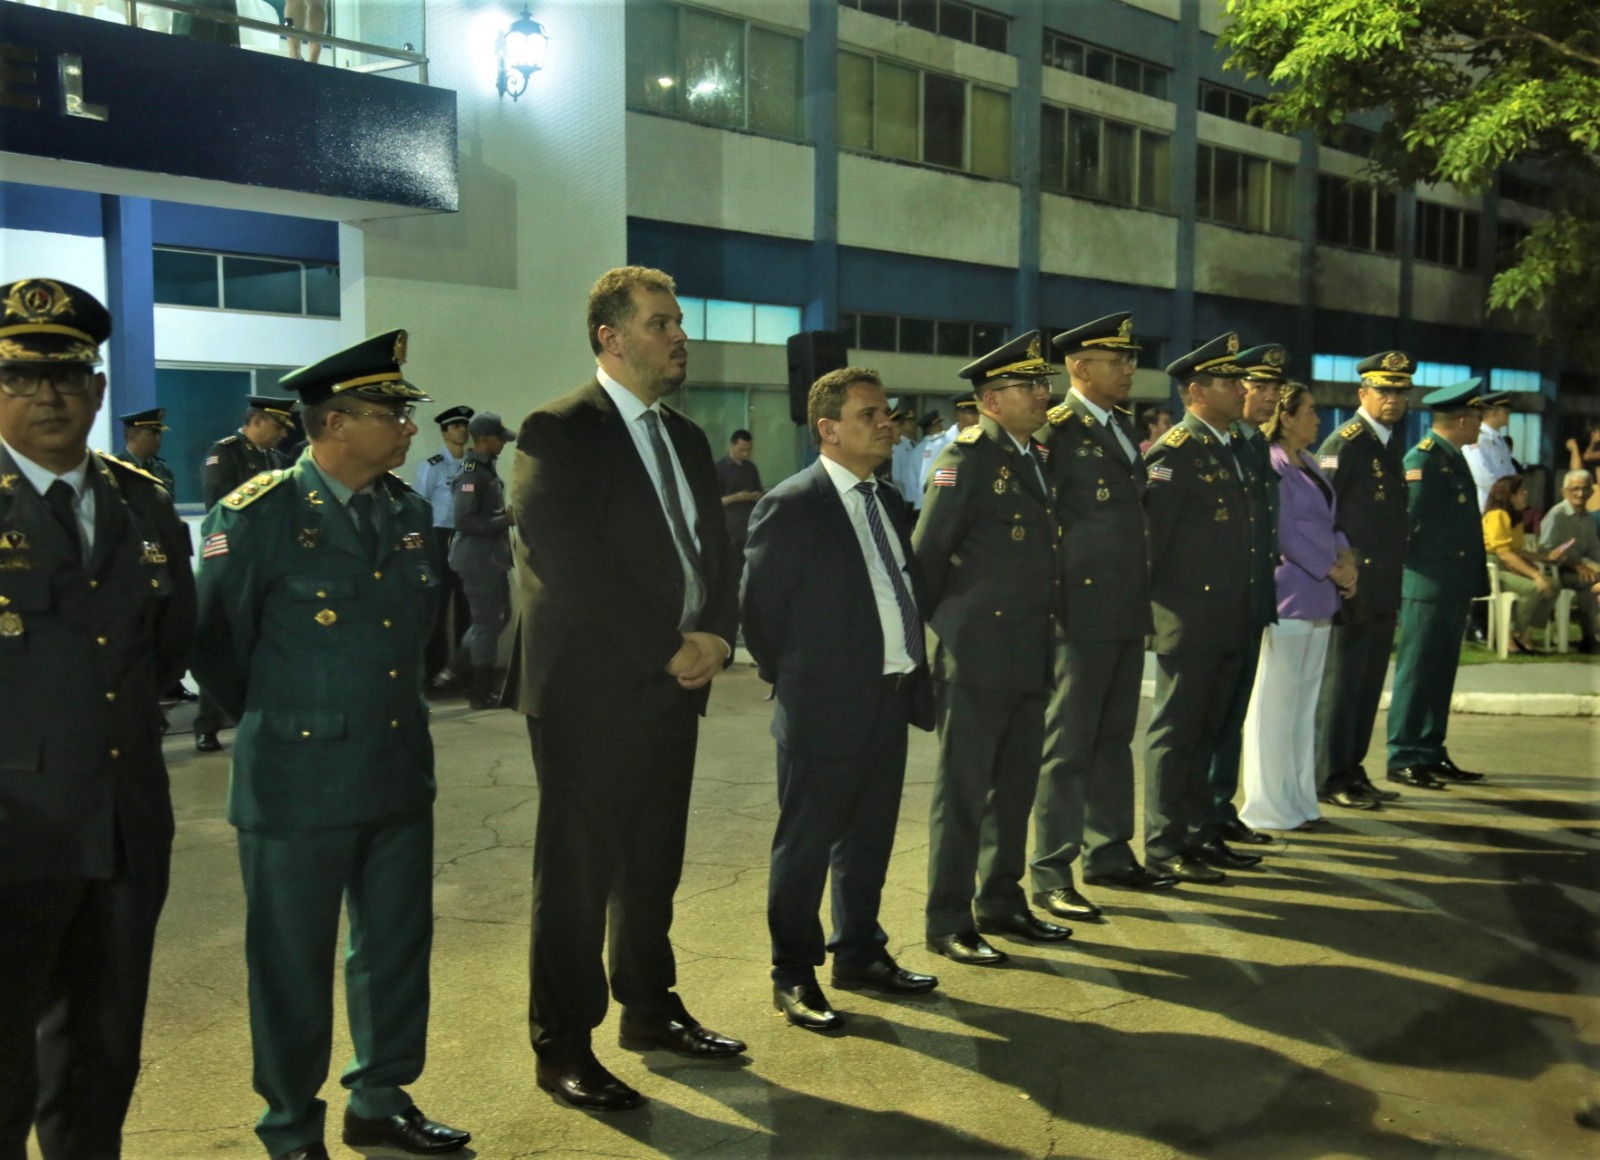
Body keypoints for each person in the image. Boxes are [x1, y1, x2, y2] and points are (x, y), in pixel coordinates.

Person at [192, 331, 469, 1160]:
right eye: (391, 413)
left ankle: (380, 1098)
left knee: (394, 948)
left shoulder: (408, 513)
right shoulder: (259, 515)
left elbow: (422, 635)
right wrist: (285, 715)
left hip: (392, 766)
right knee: (290, 964)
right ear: (336, 423)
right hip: (295, 777)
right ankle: (289, 1126)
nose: (408, 427)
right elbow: (214, 646)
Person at [506, 266, 744, 1113]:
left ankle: (649, 1008)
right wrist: (667, 644)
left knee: (653, 863)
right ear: (610, 338)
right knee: (578, 874)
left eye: (678, 321)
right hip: (591, 691)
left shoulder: (682, 437)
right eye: (660, 324)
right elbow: (564, 562)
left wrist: (716, 632)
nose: (679, 336)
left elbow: (714, 548)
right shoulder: (559, 430)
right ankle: (562, 1045)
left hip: (674, 682)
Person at [0, 278, 195, 1160]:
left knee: (103, 1053)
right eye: (19, 377)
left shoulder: (143, 502)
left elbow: (166, 650)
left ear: (98, 388)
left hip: (122, 821)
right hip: (10, 830)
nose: (47, 395)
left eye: (68, 375)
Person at [742, 367, 938, 1034]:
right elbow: (760, 614)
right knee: (804, 850)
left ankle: (858, 953)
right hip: (823, 708)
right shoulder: (792, 505)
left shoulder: (881, 499)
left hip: (889, 699)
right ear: (828, 429)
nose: (887, 423)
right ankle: (792, 975)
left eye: (886, 412)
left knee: (868, 842)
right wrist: (803, 680)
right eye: (868, 415)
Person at [913, 331, 1071, 967]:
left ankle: (1002, 901)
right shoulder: (966, 458)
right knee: (963, 794)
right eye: (1029, 386)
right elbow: (926, 557)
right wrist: (928, 642)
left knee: (1013, 787)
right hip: (977, 654)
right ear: (991, 399)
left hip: (1029, 648)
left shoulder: (1033, 457)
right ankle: (948, 918)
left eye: (1042, 383)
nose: (1043, 395)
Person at [1031, 313, 1173, 919]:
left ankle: (1109, 851)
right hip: (1078, 611)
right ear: (1079, 368)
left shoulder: (1118, 427)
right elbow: (1043, 523)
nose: (1129, 370)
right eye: (1118, 361)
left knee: (1114, 738)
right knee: (1068, 744)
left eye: (1130, 360)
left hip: (1122, 608)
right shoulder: (1056, 431)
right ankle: (1051, 869)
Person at [1141, 333, 1258, 884]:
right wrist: (1161, 617)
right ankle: (1165, 844)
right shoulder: (1175, 452)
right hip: (1189, 620)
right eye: (1230, 381)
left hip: (1228, 617)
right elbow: (1154, 544)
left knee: (1209, 731)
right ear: (1196, 391)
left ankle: (1199, 832)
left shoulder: (1226, 446)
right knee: (1177, 732)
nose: (1242, 389)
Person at [1238, 383, 1356, 833]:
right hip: (1291, 593)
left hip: (1320, 595)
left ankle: (1299, 801)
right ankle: (1268, 806)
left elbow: (1331, 520)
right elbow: (1284, 531)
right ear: (1285, 418)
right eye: (1309, 411)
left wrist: (1346, 558)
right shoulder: (1275, 463)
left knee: (1303, 707)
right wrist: (1331, 567)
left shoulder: (1308, 462)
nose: (1317, 419)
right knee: (1275, 708)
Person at [1313, 351, 1416, 810]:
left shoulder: (1390, 442)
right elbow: (1322, 511)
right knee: (1343, 684)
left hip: (1382, 585)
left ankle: (1353, 769)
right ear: (1362, 394)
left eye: (1400, 391)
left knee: (1368, 683)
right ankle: (1331, 775)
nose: (1392, 399)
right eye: (1383, 390)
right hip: (1351, 585)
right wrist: (1340, 567)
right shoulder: (1346, 443)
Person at [1386, 380, 1497, 791]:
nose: (1480, 425)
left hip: (1450, 584)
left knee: (1440, 672)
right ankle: (1403, 754)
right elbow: (1407, 527)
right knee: (1416, 673)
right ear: (1464, 419)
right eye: (1478, 418)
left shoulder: (1450, 458)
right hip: (1428, 584)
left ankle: (1431, 750)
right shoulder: (1425, 460)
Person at [1202, 344, 1287, 850]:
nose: (1265, 397)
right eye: (1259, 387)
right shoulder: (1229, 442)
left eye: (1276, 389)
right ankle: (1208, 812)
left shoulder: (1254, 444)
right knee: (1213, 715)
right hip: (1222, 599)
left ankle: (1220, 807)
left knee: (1233, 712)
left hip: (1251, 594)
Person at [194, 395, 297, 751]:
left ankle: (256, 716)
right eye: (277, 425)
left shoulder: (274, 459)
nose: (283, 434)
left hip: (270, 561)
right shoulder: (225, 453)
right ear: (256, 420)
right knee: (225, 634)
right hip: (233, 560)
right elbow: (219, 508)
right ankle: (207, 724)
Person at [448, 412, 516, 709]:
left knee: (497, 619)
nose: (503, 443)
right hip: (478, 559)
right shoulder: (472, 472)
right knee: (487, 623)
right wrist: (506, 519)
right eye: (500, 438)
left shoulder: (485, 469)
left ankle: (455, 671)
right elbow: (464, 521)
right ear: (485, 439)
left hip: (491, 558)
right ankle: (479, 690)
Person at [415, 405, 475, 689]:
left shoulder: (473, 464)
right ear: (444, 431)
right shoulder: (433, 465)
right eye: (455, 425)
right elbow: (420, 505)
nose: (462, 430)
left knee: (468, 607)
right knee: (437, 610)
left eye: (465, 425)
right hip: (439, 538)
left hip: (467, 537)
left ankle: (462, 672)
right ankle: (433, 673)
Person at [1482, 474, 1557, 653]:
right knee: (1533, 588)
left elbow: (1517, 551)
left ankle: (1526, 635)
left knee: (1553, 585)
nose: (1526, 494)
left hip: (1509, 563)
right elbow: (1504, 553)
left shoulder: (1515, 518)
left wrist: (1546, 558)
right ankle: (1510, 633)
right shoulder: (1497, 515)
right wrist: (1536, 575)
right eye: (1522, 491)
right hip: (1493, 568)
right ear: (1510, 495)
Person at [1538, 469, 1600, 653]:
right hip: (1556, 572)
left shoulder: (1587, 518)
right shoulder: (1557, 515)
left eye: (1584, 489)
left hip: (1579, 571)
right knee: (1591, 584)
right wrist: (1576, 565)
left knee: (1592, 580)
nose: (1580, 493)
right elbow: (1546, 550)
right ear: (1564, 491)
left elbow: (1594, 551)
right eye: (1575, 489)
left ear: (1591, 491)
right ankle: (1589, 637)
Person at [715, 428, 764, 558]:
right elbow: (714, 501)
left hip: (750, 525)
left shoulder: (751, 468)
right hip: (730, 529)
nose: (745, 454)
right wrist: (737, 497)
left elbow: (760, 493)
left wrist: (756, 496)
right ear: (731, 446)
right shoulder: (719, 468)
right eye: (741, 450)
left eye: (748, 450)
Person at [1463, 398, 1516, 510]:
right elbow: (1483, 476)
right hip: (1486, 504)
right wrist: (1504, 492)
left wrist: (1513, 489)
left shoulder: (1500, 440)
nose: (1509, 415)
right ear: (1494, 413)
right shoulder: (1477, 438)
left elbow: (1510, 470)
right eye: (1505, 411)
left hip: (1503, 503)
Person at [918, 393, 976, 492]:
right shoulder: (939, 444)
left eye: (980, 414)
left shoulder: (983, 442)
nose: (977, 419)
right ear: (957, 415)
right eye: (971, 413)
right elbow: (926, 481)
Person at [120, 406, 176, 494]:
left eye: (159, 433)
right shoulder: (116, 468)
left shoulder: (163, 470)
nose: (158, 439)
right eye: (151, 433)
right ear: (130, 436)